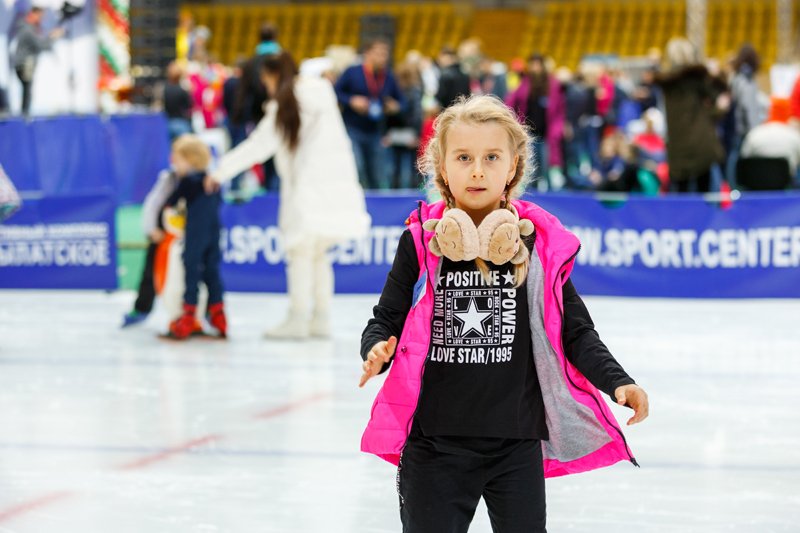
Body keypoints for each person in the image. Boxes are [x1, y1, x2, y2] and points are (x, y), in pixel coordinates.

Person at [358, 95, 649, 532]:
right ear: (442, 167)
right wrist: (376, 349)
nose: (477, 170)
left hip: (515, 446)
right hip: (434, 447)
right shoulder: (420, 243)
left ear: (512, 166)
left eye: (491, 157)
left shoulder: (537, 247)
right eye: (464, 157)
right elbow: (385, 319)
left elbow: (576, 331)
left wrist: (618, 381)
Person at [208, 51, 371, 339]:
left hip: (306, 190)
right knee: (319, 254)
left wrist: (219, 172)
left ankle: (298, 317)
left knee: (300, 252)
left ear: (272, 76)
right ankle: (320, 318)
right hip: (336, 186)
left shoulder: (286, 104)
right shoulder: (321, 92)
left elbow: (258, 146)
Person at [163, 135, 227, 339]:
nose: (174, 163)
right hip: (214, 232)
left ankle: (188, 315)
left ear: (190, 160)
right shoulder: (213, 181)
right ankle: (219, 314)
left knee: (191, 270)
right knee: (211, 271)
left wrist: (168, 216)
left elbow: (171, 203)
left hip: (196, 233)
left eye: (177, 159)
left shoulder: (188, 182)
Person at [655, 37, 726, 193]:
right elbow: (716, 104)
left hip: (677, 145)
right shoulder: (697, 79)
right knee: (705, 192)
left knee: (681, 194)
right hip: (700, 143)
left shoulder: (666, 84)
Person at [334, 38, 405, 189]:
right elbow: (335, 92)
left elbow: (402, 102)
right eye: (379, 53)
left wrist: (395, 106)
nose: (383, 58)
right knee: (357, 168)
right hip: (353, 129)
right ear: (367, 53)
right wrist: (351, 100)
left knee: (377, 173)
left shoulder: (388, 77)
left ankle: (375, 201)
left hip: (376, 131)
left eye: (385, 54)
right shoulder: (352, 72)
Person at [121, 163, 180, 327]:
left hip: (188, 239)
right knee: (150, 272)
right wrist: (151, 229)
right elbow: (152, 204)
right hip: (162, 237)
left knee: (197, 276)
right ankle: (142, 308)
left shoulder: (204, 179)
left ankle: (203, 311)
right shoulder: (170, 178)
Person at [13, 6, 64, 115]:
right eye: (40, 16)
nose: (41, 19)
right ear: (33, 14)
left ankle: (25, 114)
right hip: (24, 64)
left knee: (27, 90)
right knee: (27, 90)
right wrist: (53, 36)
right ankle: (24, 115)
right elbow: (41, 45)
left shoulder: (29, 28)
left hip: (23, 64)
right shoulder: (28, 29)